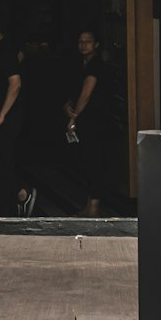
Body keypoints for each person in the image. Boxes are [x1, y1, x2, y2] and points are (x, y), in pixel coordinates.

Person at [0, 10, 36, 216]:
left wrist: (3, 114)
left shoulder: (4, 49)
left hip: (8, 116)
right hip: (2, 113)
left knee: (2, 161)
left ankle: (20, 196)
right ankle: (10, 200)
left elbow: (15, 83)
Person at [63, 27, 108, 217]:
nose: (84, 45)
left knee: (93, 161)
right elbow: (77, 92)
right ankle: (90, 205)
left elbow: (87, 93)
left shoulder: (96, 65)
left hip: (94, 120)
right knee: (88, 161)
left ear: (96, 44)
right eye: (81, 41)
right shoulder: (82, 64)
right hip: (87, 118)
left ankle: (94, 207)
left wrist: (73, 117)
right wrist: (68, 106)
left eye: (88, 41)